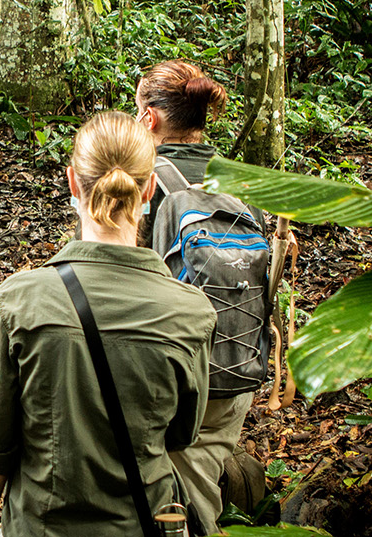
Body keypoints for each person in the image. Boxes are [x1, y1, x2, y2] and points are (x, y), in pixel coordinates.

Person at [0, 111, 215, 536]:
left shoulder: (20, 300)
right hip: (145, 523)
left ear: (72, 183)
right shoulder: (191, 312)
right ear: (150, 189)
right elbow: (181, 434)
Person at [135, 59, 279, 529]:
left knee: (168, 506)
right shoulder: (242, 181)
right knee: (200, 484)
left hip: (170, 376)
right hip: (237, 359)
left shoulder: (141, 179)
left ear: (150, 118)